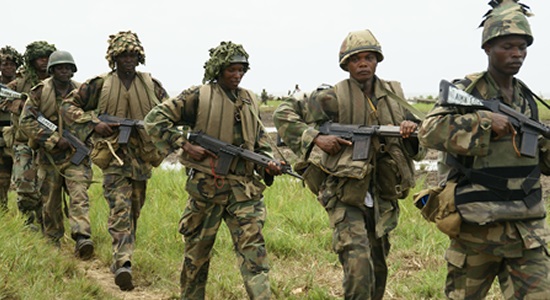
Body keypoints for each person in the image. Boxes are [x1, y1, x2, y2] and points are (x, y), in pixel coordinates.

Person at [273, 29, 425, 299]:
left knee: (378, 270)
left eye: (369, 57)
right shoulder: (332, 98)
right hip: (344, 194)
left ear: (377, 60)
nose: (363, 63)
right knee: (357, 268)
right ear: (346, 64)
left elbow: (422, 144)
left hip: (382, 197)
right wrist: (316, 138)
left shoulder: (395, 97)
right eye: (356, 59)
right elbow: (283, 113)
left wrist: (410, 131)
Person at [417, 1, 550, 298]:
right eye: (508, 46)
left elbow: (537, 159)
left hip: (525, 230)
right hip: (476, 228)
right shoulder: (467, 90)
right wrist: (485, 123)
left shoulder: (527, 100)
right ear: (488, 47)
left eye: (522, 47)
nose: (517, 54)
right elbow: (428, 130)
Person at [144, 41, 282, 300]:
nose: (237, 75)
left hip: (244, 193)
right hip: (207, 191)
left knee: (255, 258)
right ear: (218, 69)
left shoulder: (249, 99)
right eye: (232, 69)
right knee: (196, 256)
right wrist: (184, 145)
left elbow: (261, 142)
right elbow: (154, 119)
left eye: (242, 70)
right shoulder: (198, 96)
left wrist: (268, 164)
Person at [60, 31, 168, 291]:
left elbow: (169, 112)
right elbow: (67, 106)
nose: (128, 60)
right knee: (119, 208)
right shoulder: (99, 84)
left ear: (139, 57)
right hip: (113, 157)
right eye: (123, 56)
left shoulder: (151, 85)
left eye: (132, 55)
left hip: (142, 158)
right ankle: (123, 262)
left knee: (134, 210)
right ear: (114, 58)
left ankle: (123, 255)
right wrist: (93, 123)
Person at [19, 50, 94, 259]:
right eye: (60, 67)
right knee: (50, 202)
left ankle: (82, 237)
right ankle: (53, 243)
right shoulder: (40, 92)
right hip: (49, 157)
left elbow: (95, 118)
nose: (65, 71)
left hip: (76, 156)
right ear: (52, 70)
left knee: (79, 194)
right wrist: (53, 140)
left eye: (68, 67)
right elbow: (26, 121)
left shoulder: (82, 92)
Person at [5, 41, 56, 227]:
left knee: (47, 187)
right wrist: (17, 104)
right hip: (24, 141)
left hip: (49, 141)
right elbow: (3, 98)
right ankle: (28, 221)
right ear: (32, 60)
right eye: (40, 58)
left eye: (47, 58)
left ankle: (47, 223)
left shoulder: (57, 80)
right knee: (25, 183)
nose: (44, 61)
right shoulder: (20, 81)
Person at [0, 46, 23, 210]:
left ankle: (27, 215)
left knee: (25, 180)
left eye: (12, 64)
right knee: (2, 180)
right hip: (1, 142)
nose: (9, 68)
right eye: (5, 64)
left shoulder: (23, 86)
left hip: (21, 139)